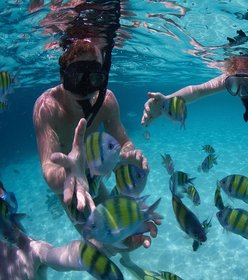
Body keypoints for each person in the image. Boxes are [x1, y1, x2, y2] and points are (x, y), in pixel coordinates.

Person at [33, 39, 159, 258]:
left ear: (103, 76)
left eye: (94, 77)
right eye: (76, 77)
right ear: (62, 76)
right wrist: (69, 171)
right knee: (102, 247)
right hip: (70, 187)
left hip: (95, 177)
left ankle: (127, 259)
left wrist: (130, 152)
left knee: (124, 238)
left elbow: (123, 141)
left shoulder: (107, 101)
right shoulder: (47, 107)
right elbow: (48, 168)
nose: (85, 88)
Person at [141, 52, 248, 145]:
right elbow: (199, 90)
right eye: (235, 85)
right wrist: (166, 100)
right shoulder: (237, 76)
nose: (242, 92)